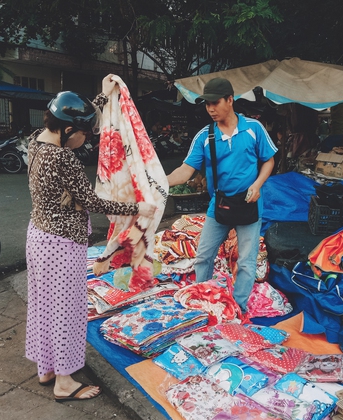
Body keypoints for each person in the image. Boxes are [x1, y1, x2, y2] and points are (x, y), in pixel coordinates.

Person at [25, 88, 156, 401]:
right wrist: (138, 207)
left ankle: (47, 368)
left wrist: (100, 97)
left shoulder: (36, 141)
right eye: (85, 132)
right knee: (66, 311)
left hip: (38, 237)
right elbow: (92, 201)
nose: (88, 138)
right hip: (62, 243)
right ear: (69, 130)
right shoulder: (63, 158)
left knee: (44, 306)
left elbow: (70, 113)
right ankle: (65, 382)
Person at [166, 78, 277, 312]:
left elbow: (269, 160)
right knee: (203, 257)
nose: (210, 109)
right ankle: (203, 300)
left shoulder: (254, 129)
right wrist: (158, 182)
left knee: (246, 262)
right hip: (219, 205)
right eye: (207, 105)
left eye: (215, 103)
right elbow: (186, 171)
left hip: (249, 204)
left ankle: (238, 308)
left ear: (230, 100)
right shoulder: (204, 136)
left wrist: (257, 185)